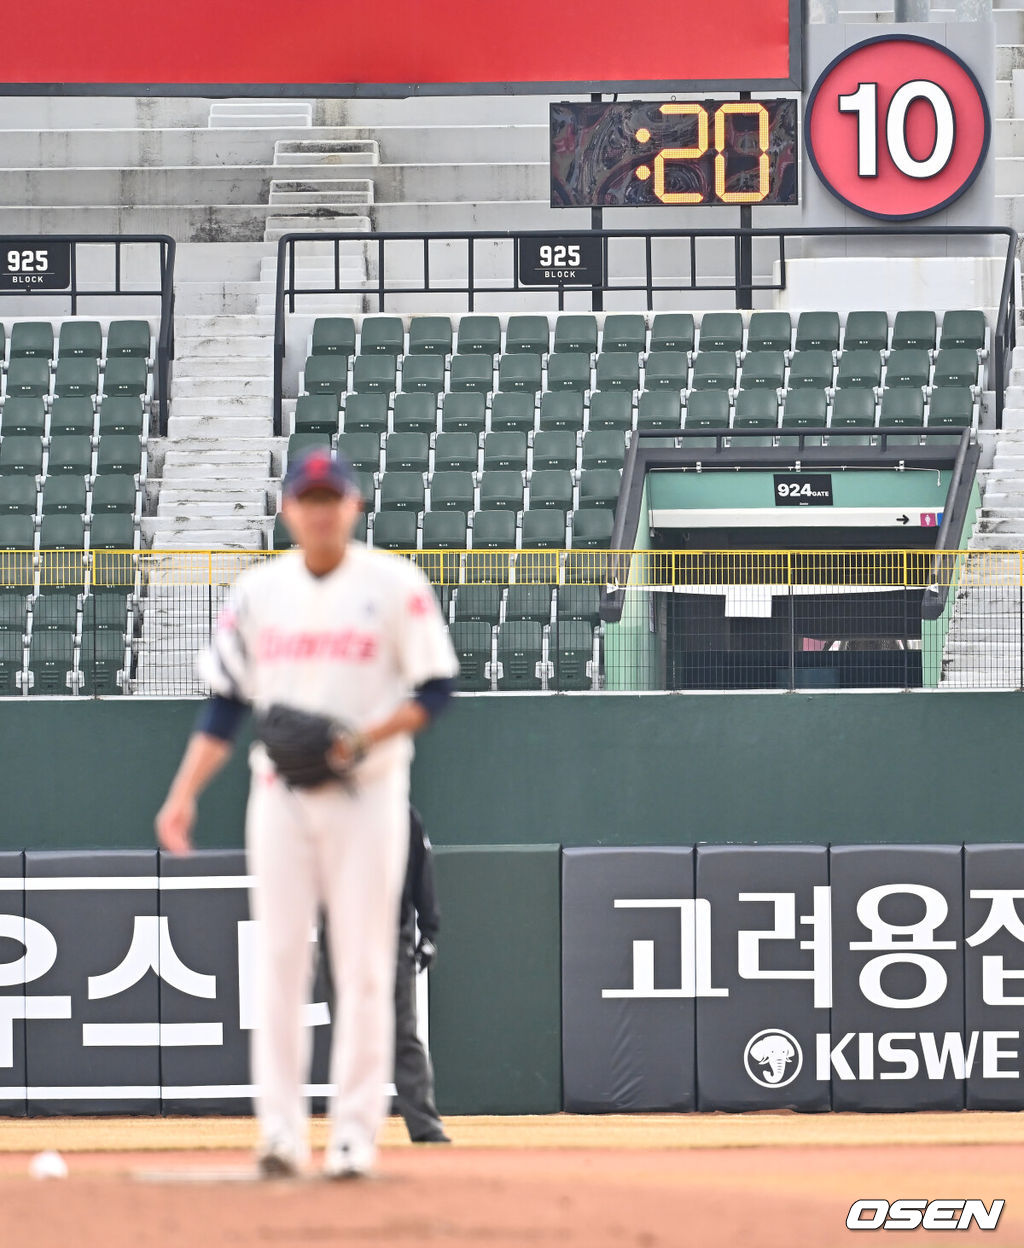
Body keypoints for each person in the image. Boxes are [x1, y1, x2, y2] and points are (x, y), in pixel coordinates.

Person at [154, 446, 459, 1181]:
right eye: (308, 498)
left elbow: (435, 690)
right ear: (289, 508)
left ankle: (354, 1136)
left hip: (368, 794)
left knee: (363, 968)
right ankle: (282, 1134)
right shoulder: (260, 591)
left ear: (353, 507)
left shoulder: (393, 584)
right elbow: (226, 705)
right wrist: (184, 791)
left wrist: (361, 740)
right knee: (283, 964)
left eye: (332, 497)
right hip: (280, 795)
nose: (320, 510)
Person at [394, 805, 449, 1143]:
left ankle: (426, 1130)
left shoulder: (403, 814)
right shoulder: (330, 806)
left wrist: (428, 931)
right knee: (351, 1039)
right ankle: (353, 1133)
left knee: (405, 1035)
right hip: (342, 934)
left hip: (391, 935)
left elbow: (421, 874)